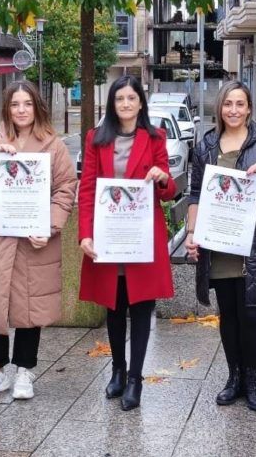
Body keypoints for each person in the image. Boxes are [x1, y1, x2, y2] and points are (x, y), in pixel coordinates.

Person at [0, 80, 77, 400]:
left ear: (37, 106)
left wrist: (51, 226)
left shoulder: (53, 144)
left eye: (27, 104)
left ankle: (25, 371)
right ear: (7, 109)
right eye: (15, 104)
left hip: (33, 239)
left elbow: (65, 189)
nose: (21, 110)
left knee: (30, 306)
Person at [185, 80, 256, 411]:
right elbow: (196, 194)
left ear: (248, 108)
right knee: (228, 316)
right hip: (219, 245)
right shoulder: (206, 146)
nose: (233, 110)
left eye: (240, 104)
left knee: (251, 316)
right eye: (228, 104)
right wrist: (192, 232)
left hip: (254, 244)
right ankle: (233, 379)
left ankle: (253, 381)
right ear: (220, 108)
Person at [78, 75, 176, 411]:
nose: (125, 104)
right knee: (114, 307)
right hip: (108, 236)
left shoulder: (155, 137)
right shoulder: (96, 139)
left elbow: (169, 188)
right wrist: (85, 234)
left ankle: (136, 378)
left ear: (140, 103)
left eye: (131, 98)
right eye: (119, 99)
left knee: (142, 307)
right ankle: (117, 370)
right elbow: (88, 188)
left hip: (141, 237)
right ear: (112, 103)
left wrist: (163, 178)